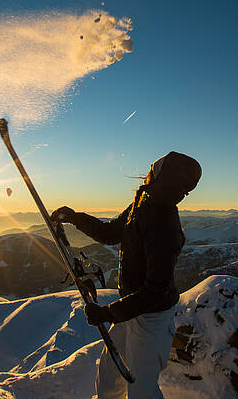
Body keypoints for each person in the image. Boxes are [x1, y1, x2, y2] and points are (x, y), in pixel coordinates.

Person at [51, 151, 201, 399]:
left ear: (166, 176)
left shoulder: (164, 224)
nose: (149, 172)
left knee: (142, 390)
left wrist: (109, 313)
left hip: (151, 318)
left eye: (155, 169)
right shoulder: (143, 204)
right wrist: (75, 218)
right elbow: (110, 233)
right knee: (109, 379)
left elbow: (156, 290)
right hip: (130, 309)